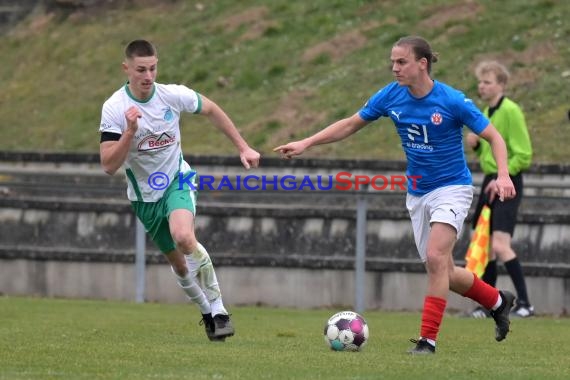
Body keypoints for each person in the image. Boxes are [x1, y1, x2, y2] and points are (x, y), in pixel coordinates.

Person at [274, 36, 517, 355]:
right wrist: (306, 143)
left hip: (452, 189)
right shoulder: (390, 96)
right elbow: (350, 124)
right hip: (417, 192)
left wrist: (502, 175)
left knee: (435, 259)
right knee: (442, 270)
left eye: (401, 62)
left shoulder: (452, 100)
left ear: (422, 64)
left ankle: (427, 341)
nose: (394, 68)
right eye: (392, 62)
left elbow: (494, 137)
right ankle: (498, 302)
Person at [99, 39, 260, 341]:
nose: (148, 76)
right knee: (180, 264)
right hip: (144, 196)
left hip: (177, 179)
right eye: (141, 70)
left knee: (184, 237)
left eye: (153, 68)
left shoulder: (172, 95)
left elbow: (211, 108)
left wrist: (243, 146)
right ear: (126, 69)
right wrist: (130, 133)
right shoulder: (115, 108)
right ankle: (206, 313)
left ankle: (220, 309)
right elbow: (108, 164)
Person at [466, 60, 533, 318]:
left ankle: (526, 303)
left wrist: (501, 177)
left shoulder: (511, 110)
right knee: (484, 245)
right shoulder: (486, 111)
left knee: (501, 245)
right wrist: (475, 145)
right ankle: (490, 304)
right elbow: (489, 150)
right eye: (480, 82)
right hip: (489, 180)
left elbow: (524, 154)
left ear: (501, 85)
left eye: (487, 82)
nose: (481, 86)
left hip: (507, 181)